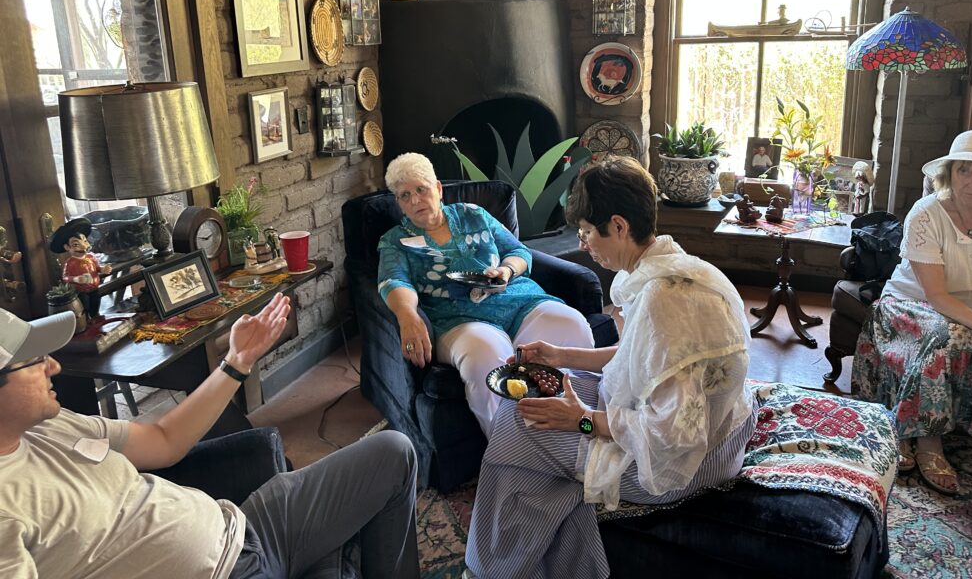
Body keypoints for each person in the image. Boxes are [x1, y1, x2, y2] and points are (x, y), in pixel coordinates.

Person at [463, 156, 755, 579]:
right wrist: (560, 356)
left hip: (688, 460)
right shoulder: (672, 265)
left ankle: (491, 570)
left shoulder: (663, 300)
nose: (583, 244)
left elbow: (672, 437)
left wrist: (582, 420)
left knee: (518, 430)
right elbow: (637, 355)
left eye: (585, 232)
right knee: (537, 399)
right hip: (716, 426)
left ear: (618, 226)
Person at [0, 294, 420, 578]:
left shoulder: (51, 427)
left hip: (241, 526)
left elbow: (165, 439)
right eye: (32, 362)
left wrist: (236, 363)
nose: (53, 367)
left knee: (394, 451)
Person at [852, 130, 972, 496]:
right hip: (914, 305)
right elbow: (938, 295)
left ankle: (969, 427)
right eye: (965, 171)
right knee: (946, 335)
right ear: (950, 173)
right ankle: (926, 440)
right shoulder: (926, 213)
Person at [377, 153, 595, 436]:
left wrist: (505, 271)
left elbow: (518, 252)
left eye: (421, 189)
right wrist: (407, 316)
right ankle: (512, 448)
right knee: (484, 355)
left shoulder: (473, 214)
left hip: (516, 299)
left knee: (570, 324)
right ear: (399, 203)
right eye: (405, 195)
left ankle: (584, 422)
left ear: (438, 189)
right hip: (459, 318)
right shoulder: (395, 241)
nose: (415, 200)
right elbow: (393, 281)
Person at [49, 217, 111, 320]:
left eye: (85, 241)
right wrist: (77, 279)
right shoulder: (71, 262)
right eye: (76, 244)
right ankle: (87, 320)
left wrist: (103, 269)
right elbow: (65, 277)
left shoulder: (91, 257)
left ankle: (96, 317)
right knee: (85, 306)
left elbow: (97, 268)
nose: (84, 247)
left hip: (94, 288)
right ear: (67, 247)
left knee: (95, 303)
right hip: (81, 290)